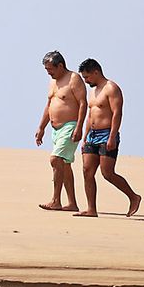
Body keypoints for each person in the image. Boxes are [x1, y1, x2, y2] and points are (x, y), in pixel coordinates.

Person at [74, 58, 142, 217]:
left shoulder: (111, 88)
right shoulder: (93, 91)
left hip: (106, 135)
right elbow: (91, 115)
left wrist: (112, 136)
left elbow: (117, 113)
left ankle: (133, 197)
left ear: (96, 72)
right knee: (86, 171)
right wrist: (85, 137)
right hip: (92, 135)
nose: (86, 80)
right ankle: (91, 209)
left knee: (107, 173)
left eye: (87, 77)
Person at [33, 50, 87, 211]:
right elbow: (49, 105)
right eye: (46, 70)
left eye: (51, 69)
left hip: (70, 126)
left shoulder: (73, 79)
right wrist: (41, 127)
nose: (48, 72)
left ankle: (56, 200)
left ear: (61, 65)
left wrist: (79, 127)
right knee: (64, 164)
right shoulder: (53, 82)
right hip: (55, 129)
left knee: (55, 159)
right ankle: (72, 203)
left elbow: (83, 103)